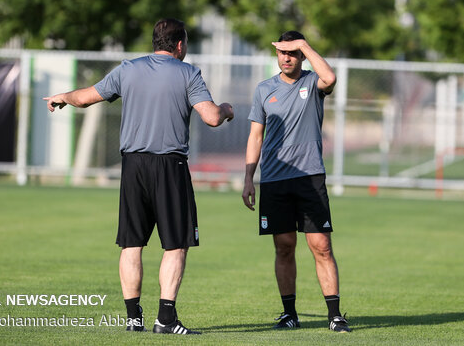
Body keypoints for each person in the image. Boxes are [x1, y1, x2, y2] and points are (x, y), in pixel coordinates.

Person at [44, 18, 234, 335]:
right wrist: (227, 108)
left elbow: (86, 97)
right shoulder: (188, 73)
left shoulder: (127, 69)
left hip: (132, 166)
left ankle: (134, 318)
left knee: (132, 244)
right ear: (179, 45)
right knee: (175, 245)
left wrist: (61, 97)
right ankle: (166, 319)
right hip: (169, 166)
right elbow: (212, 117)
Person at [241, 30, 351, 333]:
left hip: (309, 178)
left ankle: (335, 315)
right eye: (282, 52)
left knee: (321, 246)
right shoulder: (264, 89)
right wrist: (249, 178)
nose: (286, 57)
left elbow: (330, 78)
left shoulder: (312, 83)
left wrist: (304, 44)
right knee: (284, 246)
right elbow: (255, 135)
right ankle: (289, 314)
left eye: (292, 52)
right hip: (275, 181)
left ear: (301, 55)